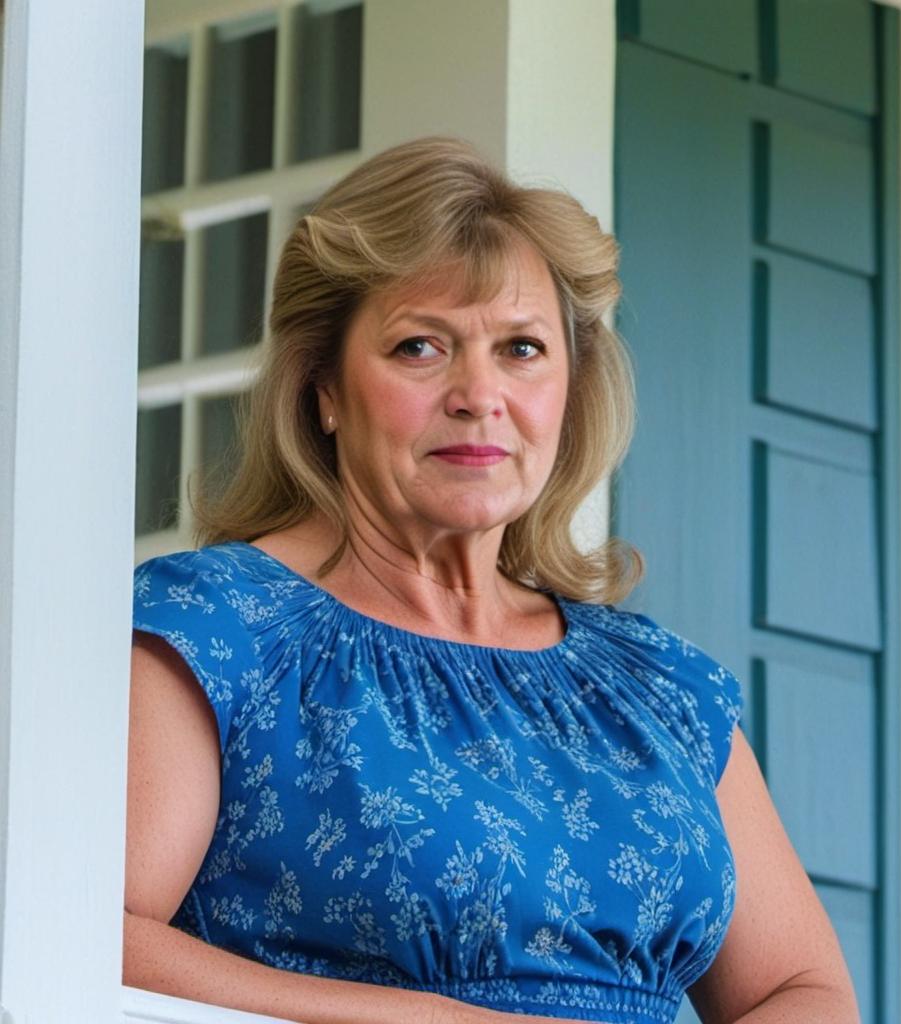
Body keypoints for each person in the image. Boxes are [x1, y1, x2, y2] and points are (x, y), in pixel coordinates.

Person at [124, 136, 859, 1024]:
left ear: (570, 388)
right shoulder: (217, 626)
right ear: (323, 387)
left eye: (520, 349)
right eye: (420, 347)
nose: (481, 394)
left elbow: (802, 989)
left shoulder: (658, 685)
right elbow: (92, 936)